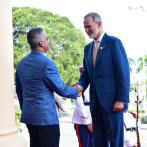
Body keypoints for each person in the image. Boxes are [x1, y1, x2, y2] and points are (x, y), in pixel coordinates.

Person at [15, 28, 82, 147]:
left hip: (29, 117)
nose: (48, 41)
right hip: (46, 119)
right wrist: (76, 90)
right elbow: (62, 89)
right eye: (47, 39)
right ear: (41, 43)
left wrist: (26, 108)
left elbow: (19, 91)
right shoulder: (47, 63)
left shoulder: (21, 63)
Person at [78, 12, 130, 147]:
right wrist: (80, 86)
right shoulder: (87, 48)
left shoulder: (114, 42)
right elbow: (86, 75)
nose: (86, 30)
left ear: (99, 24)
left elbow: (123, 73)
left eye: (88, 27)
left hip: (113, 104)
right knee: (98, 142)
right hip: (95, 105)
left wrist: (121, 99)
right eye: (84, 27)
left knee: (115, 142)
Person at [72, 64, 94, 147]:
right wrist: (88, 122)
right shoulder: (78, 86)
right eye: (82, 72)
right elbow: (80, 104)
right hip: (82, 121)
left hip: (94, 120)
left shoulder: (95, 85)